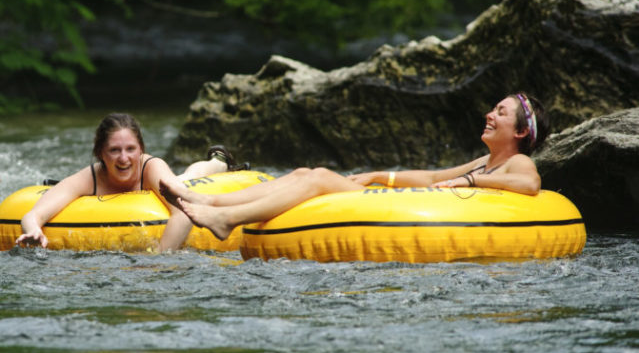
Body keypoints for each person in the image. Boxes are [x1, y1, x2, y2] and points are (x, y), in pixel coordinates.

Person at [161, 93, 551, 241]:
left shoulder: (516, 161)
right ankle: (207, 202)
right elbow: (433, 178)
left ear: (520, 132)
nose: (489, 114)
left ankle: (228, 219)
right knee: (303, 175)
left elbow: (530, 184)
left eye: (500, 113)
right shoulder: (487, 159)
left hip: (413, 212)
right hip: (408, 200)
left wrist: (473, 181)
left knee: (320, 179)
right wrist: (382, 175)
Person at [16, 112, 246, 252]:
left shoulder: (150, 167)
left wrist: (160, 259)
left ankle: (218, 161)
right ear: (100, 153)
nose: (124, 158)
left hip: (157, 180)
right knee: (182, 178)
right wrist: (34, 231)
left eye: (130, 149)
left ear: (141, 150)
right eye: (114, 150)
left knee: (185, 179)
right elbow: (33, 215)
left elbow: (184, 213)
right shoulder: (91, 177)